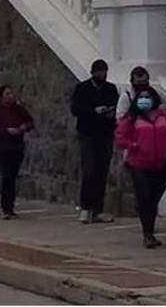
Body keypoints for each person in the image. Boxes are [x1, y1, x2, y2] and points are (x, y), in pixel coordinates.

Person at [116, 86, 166, 248]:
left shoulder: (163, 116)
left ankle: (150, 223)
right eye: (141, 97)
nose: (145, 100)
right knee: (144, 197)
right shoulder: (132, 118)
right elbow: (121, 137)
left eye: (148, 97)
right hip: (140, 164)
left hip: (161, 163)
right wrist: (133, 145)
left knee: (154, 197)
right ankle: (148, 233)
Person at [70, 59, 119, 224]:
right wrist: (93, 111)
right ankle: (85, 207)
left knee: (102, 171)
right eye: (99, 72)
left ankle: (98, 209)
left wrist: (109, 113)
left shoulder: (110, 89)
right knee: (89, 170)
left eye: (104, 71)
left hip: (105, 134)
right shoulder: (82, 88)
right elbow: (75, 109)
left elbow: (116, 107)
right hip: (88, 133)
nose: (102, 75)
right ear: (92, 72)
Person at [0, 85, 35, 220]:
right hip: (2, 148)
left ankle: (10, 207)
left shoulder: (19, 109)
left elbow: (30, 121)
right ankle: (6, 207)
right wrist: (6, 131)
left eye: (12, 93)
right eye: (7, 93)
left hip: (16, 147)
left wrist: (24, 127)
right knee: (6, 176)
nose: (11, 96)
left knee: (12, 177)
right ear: (1, 96)